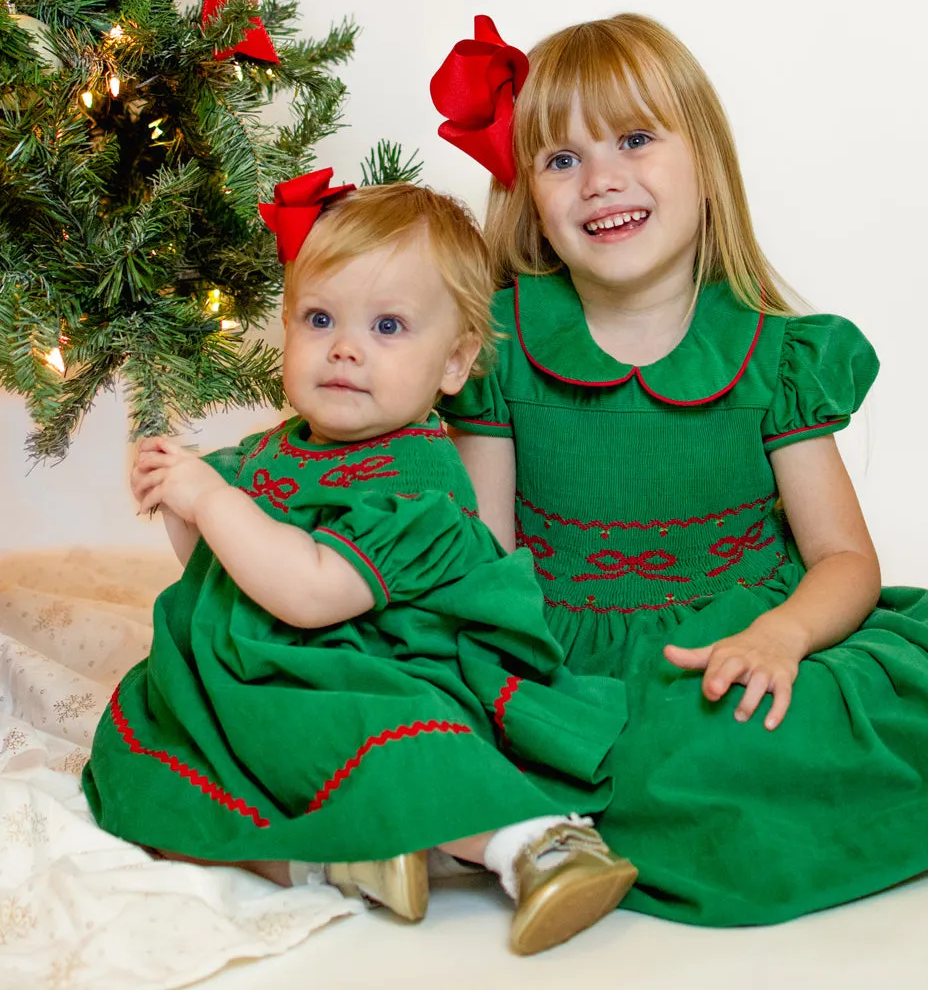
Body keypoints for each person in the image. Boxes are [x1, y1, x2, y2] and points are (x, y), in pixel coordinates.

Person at [434, 13, 928, 926]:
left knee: (797, 713)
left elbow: (843, 559)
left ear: (705, 165)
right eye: (561, 159)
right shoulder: (504, 346)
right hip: (579, 652)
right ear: (528, 193)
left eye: (635, 139)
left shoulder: (771, 355)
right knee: (622, 754)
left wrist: (783, 637)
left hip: (748, 624)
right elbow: (483, 564)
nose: (601, 179)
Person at [83, 176, 638, 957]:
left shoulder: (419, 485)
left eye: (387, 326)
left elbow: (311, 592)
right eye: (319, 319)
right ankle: (349, 857)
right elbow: (222, 574)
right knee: (159, 776)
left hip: (374, 665)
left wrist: (210, 501)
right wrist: (182, 507)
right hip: (261, 675)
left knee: (392, 733)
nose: (345, 348)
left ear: (454, 363)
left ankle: (534, 842)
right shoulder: (274, 450)